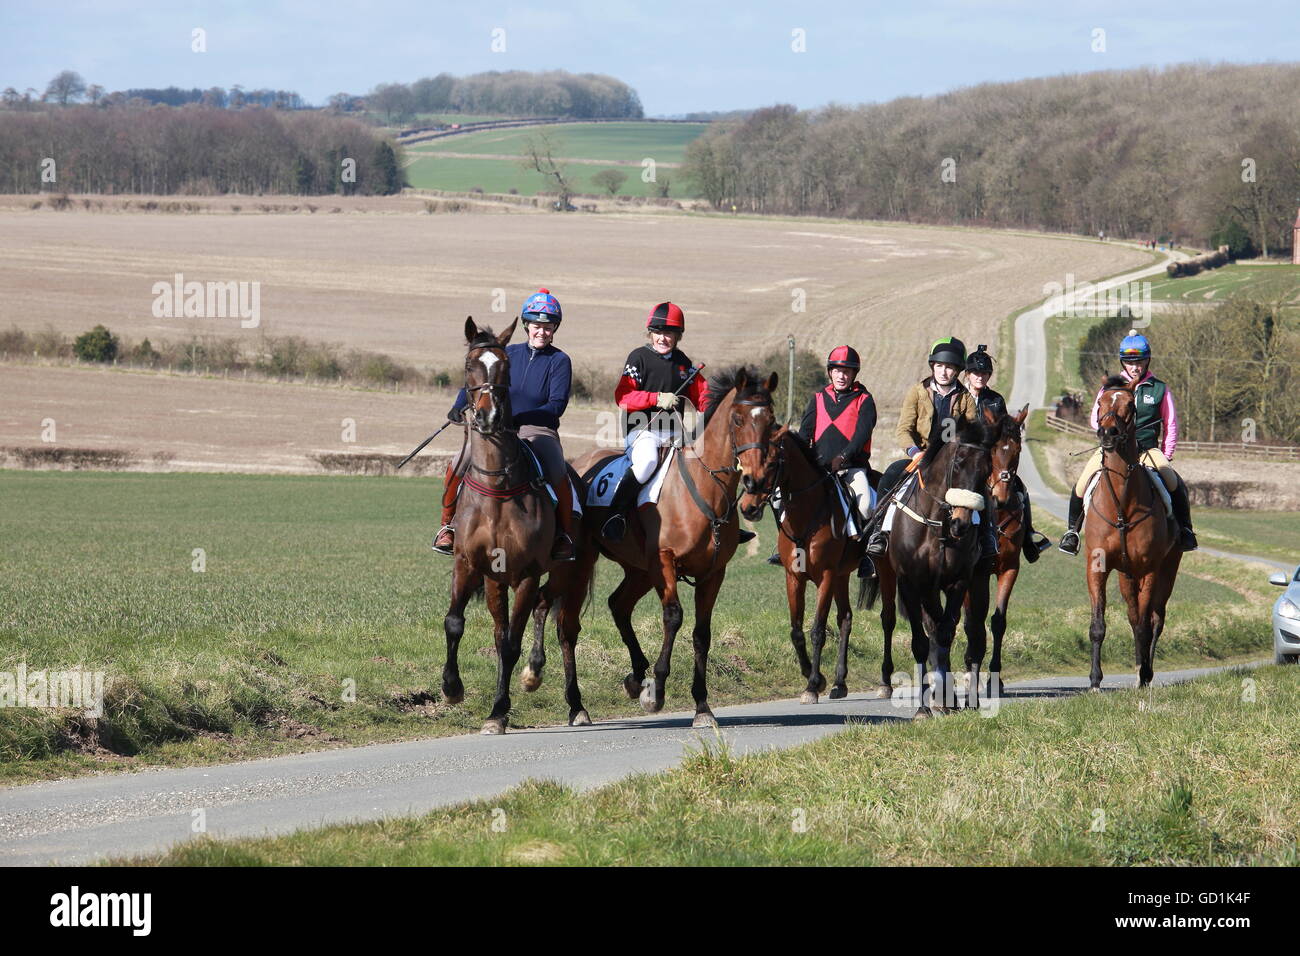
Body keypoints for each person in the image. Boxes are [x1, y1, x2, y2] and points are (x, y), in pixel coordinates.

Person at [434, 288, 576, 561]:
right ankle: (447, 526)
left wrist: (521, 418)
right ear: (526, 326)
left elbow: (556, 405)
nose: (541, 332)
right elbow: (480, 381)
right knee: (459, 461)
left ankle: (564, 535)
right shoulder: (506, 352)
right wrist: (457, 405)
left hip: (537, 429)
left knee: (556, 467)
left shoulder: (560, 361)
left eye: (548, 327)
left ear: (555, 328)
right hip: (497, 428)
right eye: (536, 326)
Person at [862, 337, 998, 573]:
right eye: (940, 366)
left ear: (957, 371)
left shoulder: (965, 397)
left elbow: (972, 432)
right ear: (932, 366)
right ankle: (878, 534)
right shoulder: (917, 392)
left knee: (980, 490)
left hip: (954, 462)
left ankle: (986, 536)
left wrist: (963, 456)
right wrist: (915, 452)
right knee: (890, 477)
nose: (944, 372)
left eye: (950, 368)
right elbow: (904, 429)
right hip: (921, 456)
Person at [1058, 330, 1197, 554]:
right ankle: (1071, 533)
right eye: (1130, 362)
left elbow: (1171, 424)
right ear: (1123, 362)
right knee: (1083, 483)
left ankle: (1186, 531)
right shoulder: (1111, 388)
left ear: (1147, 361)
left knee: (1174, 483)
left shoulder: (1159, 389)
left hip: (1147, 450)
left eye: (1139, 361)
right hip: (1112, 450)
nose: (1135, 367)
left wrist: (1167, 453)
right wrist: (1108, 435)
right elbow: (1096, 418)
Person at [766, 346, 876, 564]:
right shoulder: (818, 398)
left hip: (851, 469)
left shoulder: (864, 399)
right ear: (830, 372)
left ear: (854, 374)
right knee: (778, 499)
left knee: (866, 506)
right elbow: (805, 433)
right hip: (819, 470)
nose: (841, 376)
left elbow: (861, 435)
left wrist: (843, 457)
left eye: (846, 371)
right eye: (837, 370)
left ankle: (867, 555)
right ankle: (786, 546)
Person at [963, 344, 1051, 562]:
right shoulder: (959, 396)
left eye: (984, 373)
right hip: (966, 458)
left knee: (1019, 487)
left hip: (991, 458)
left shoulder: (995, 399)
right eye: (976, 373)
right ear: (968, 374)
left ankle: (1029, 536)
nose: (980, 377)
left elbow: (1004, 431)